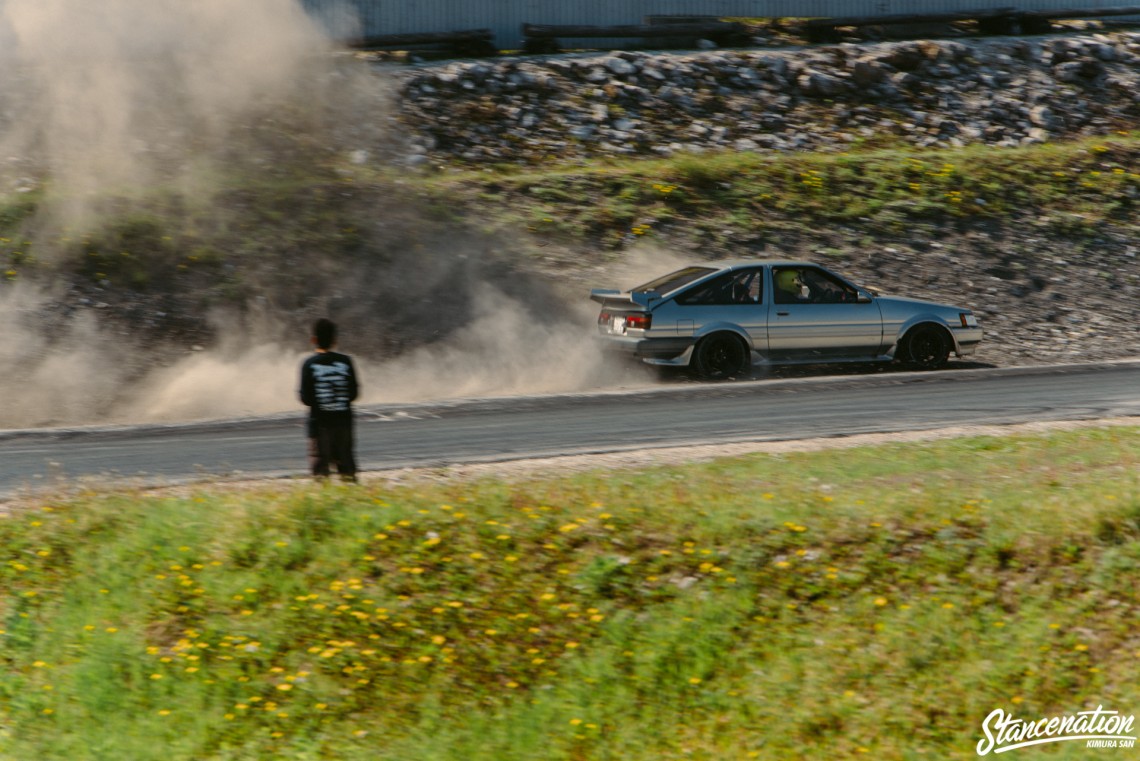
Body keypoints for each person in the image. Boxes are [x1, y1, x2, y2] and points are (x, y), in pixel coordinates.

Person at [299, 318, 359, 482]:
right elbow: (353, 394)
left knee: (320, 473)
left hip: (319, 424)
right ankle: (353, 500)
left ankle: (323, 504)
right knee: (347, 469)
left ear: (313, 340)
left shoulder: (309, 364)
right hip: (344, 424)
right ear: (335, 340)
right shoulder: (346, 361)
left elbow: (305, 398)